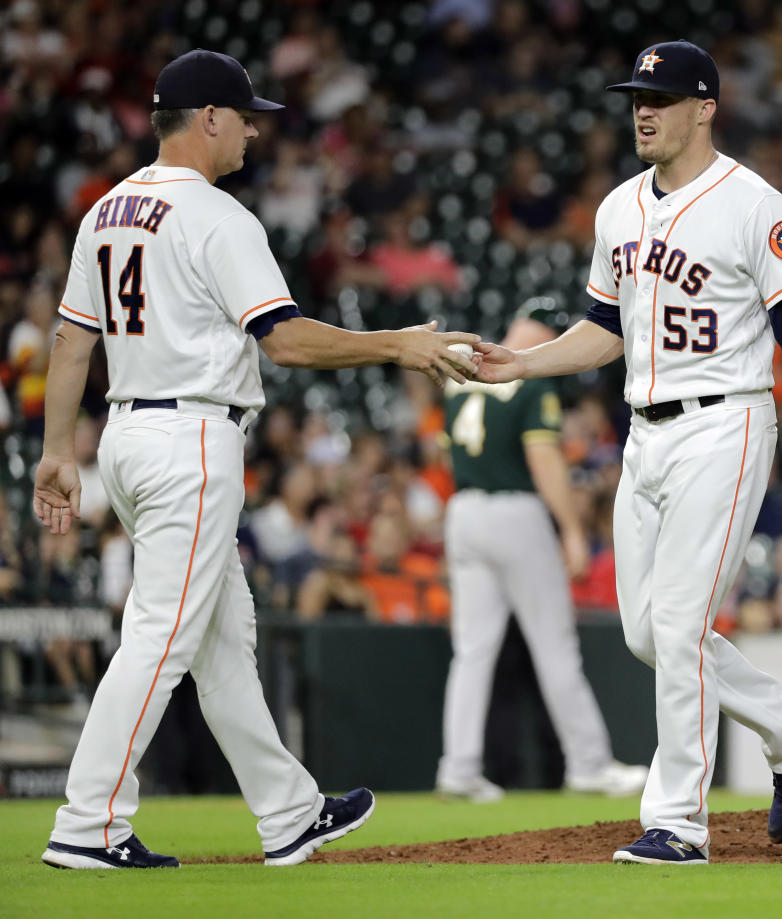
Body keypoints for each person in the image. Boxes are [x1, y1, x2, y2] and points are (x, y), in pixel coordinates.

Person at [32, 49, 479, 871]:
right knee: (161, 638)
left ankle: (289, 813)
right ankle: (88, 820)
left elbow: (69, 339)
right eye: (244, 117)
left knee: (222, 639)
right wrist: (399, 345)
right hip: (191, 438)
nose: (251, 131)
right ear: (207, 120)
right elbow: (289, 340)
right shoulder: (216, 216)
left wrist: (60, 449)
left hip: (129, 436)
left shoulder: (106, 211)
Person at [472, 41, 782, 864]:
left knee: (679, 623)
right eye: (637, 95)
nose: (643, 109)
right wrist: (522, 362)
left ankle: (678, 822)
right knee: (646, 633)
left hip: (726, 425)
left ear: (706, 107)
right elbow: (601, 331)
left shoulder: (756, 204)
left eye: (661, 97)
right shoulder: (618, 208)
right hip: (645, 435)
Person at [437, 298, 649, 802]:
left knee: (471, 651)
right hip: (516, 512)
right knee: (555, 647)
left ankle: (458, 767)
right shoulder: (530, 378)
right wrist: (572, 530)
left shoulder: (460, 374)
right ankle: (590, 763)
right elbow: (543, 459)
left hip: (464, 511)